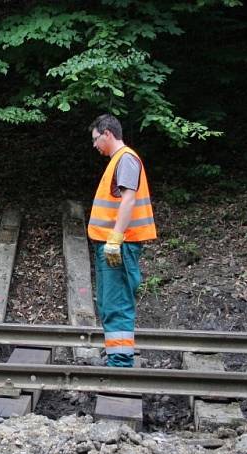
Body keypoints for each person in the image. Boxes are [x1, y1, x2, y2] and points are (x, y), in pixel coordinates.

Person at [87, 114, 157, 367]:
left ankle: (120, 362)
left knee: (117, 301)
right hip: (111, 244)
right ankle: (116, 354)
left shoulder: (125, 159)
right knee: (109, 300)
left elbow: (129, 199)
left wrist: (115, 238)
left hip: (119, 244)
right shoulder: (119, 160)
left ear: (107, 134)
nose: (94, 145)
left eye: (96, 139)